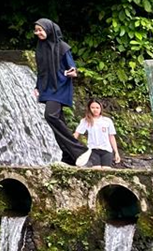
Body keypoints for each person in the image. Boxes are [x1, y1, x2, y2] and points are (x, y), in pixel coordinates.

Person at [32, 18, 90, 166]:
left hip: (61, 85)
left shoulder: (62, 47)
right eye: (36, 30)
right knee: (58, 120)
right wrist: (37, 86)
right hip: (47, 87)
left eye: (40, 30)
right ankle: (69, 157)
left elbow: (72, 67)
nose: (38, 33)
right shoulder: (40, 48)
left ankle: (80, 149)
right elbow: (41, 70)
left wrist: (73, 71)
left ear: (49, 30)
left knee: (50, 115)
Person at [75, 99, 121, 168]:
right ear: (89, 109)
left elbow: (111, 137)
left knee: (106, 171)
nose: (95, 110)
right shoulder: (85, 121)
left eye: (97, 108)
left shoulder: (107, 121)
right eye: (92, 108)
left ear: (100, 108)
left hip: (106, 150)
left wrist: (116, 152)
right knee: (96, 170)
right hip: (93, 150)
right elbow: (77, 133)